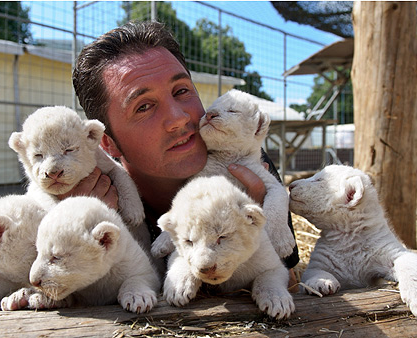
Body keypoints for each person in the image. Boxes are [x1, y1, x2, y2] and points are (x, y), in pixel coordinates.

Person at [68, 21, 299, 288]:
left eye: (181, 91)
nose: (179, 118)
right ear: (108, 143)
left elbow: (289, 284)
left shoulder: (247, 168)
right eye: (143, 107)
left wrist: (252, 232)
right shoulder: (87, 192)